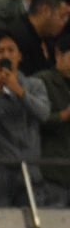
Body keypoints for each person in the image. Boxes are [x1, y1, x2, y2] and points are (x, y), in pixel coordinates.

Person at [0, 32, 51, 207]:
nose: (6, 55)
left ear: (19, 56)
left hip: (30, 167)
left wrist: (20, 91)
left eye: (11, 50)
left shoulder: (35, 84)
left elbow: (44, 114)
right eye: (0, 51)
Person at [8, 0, 68, 77]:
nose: (64, 23)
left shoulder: (48, 38)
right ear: (46, 10)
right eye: (62, 16)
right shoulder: (16, 37)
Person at [39, 35, 70, 206]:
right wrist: (63, 116)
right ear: (59, 54)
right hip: (52, 173)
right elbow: (34, 120)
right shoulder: (42, 81)